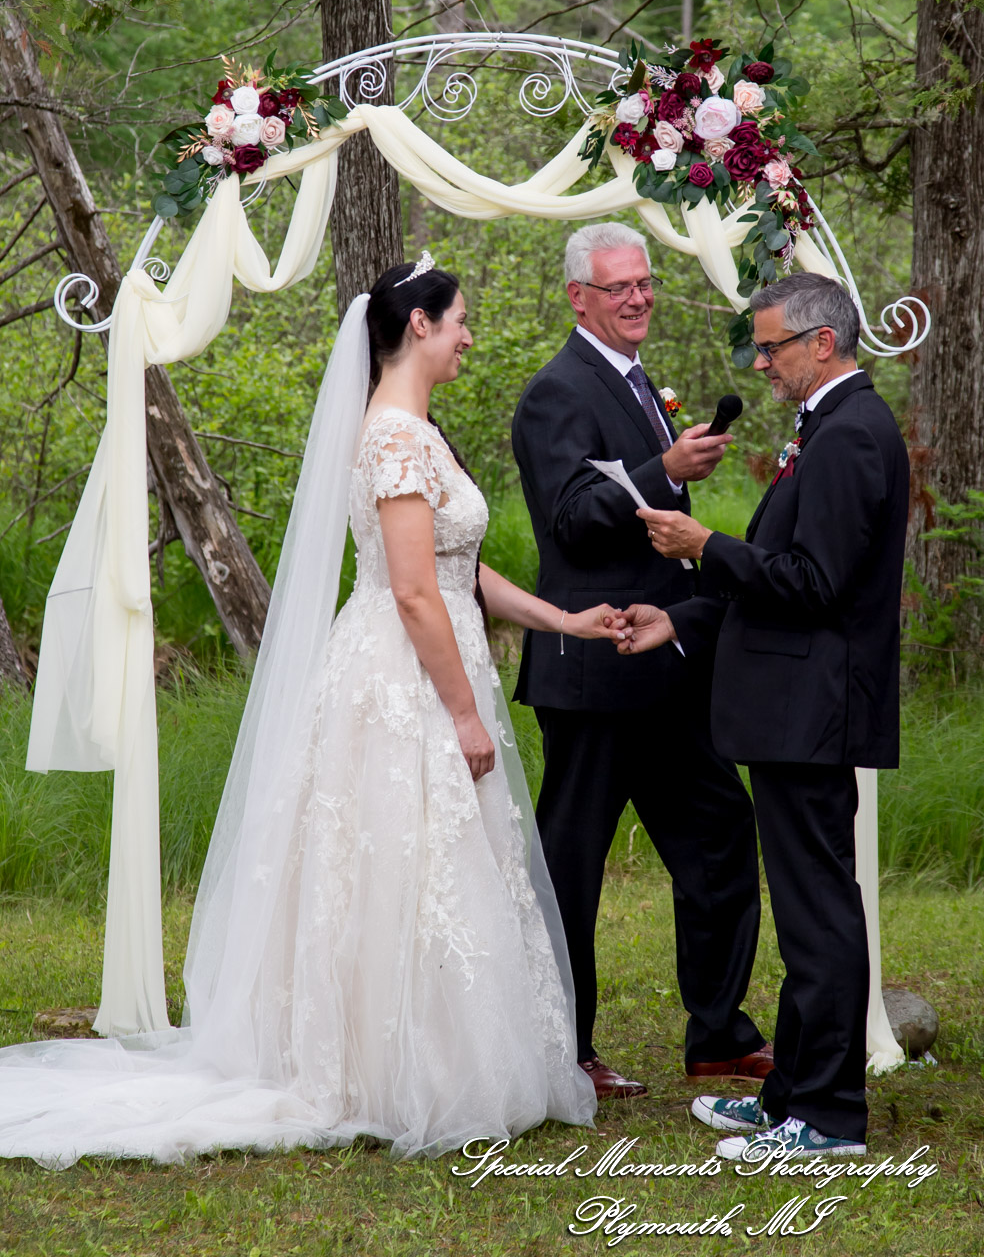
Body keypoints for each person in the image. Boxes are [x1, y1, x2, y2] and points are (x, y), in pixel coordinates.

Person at [0, 254, 627, 1166]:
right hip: (404, 676)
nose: (466, 337)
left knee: (428, 864)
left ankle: (432, 1051)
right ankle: (389, 1068)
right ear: (418, 326)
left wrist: (560, 618)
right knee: (398, 858)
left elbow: (460, 569)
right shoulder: (398, 439)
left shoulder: (415, 431)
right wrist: (462, 714)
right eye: (458, 322)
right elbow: (414, 594)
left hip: (424, 654)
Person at [627, 270, 910, 1159]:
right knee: (803, 907)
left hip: (813, 709)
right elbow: (783, 573)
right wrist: (685, 610)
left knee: (819, 911)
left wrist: (706, 547)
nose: (761, 360)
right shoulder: (823, 429)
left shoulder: (853, 434)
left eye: (772, 345)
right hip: (789, 708)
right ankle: (792, 1090)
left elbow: (812, 584)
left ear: (822, 342)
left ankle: (825, 1116)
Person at [510, 222, 769, 1100]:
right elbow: (575, 518)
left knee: (721, 833)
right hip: (590, 669)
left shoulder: (633, 383)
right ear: (580, 296)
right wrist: (663, 468)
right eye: (618, 286)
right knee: (571, 865)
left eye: (646, 283)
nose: (638, 297)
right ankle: (562, 1047)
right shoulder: (555, 390)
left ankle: (720, 1036)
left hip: (662, 664)